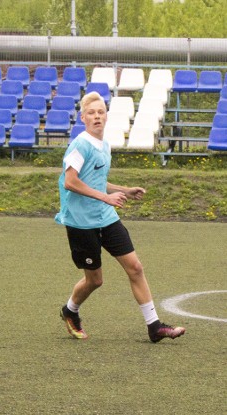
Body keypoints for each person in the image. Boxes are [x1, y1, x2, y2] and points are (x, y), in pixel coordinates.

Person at [56, 91, 185, 343]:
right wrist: (106, 197)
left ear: (106, 116)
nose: (97, 117)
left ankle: (154, 326)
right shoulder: (79, 145)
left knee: (135, 267)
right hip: (81, 222)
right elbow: (71, 182)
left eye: (101, 112)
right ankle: (69, 311)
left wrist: (124, 190)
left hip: (105, 217)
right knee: (95, 280)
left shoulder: (104, 145)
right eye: (91, 113)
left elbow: (97, 181)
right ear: (83, 118)